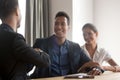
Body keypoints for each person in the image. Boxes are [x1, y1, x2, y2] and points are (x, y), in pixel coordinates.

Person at [30, 11, 104, 78]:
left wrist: (96, 68)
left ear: (68, 27)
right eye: (56, 24)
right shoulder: (41, 43)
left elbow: (90, 63)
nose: (59, 27)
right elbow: (26, 64)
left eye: (63, 24)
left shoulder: (75, 47)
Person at [0, 0, 50, 80]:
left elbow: (17, 68)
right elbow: (45, 62)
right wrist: (38, 52)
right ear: (17, 11)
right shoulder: (15, 39)